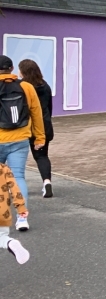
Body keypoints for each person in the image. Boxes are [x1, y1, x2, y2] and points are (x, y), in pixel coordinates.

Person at [0, 55, 45, 231]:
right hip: (20, 139)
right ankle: (21, 218)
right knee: (18, 177)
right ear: (11, 68)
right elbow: (37, 113)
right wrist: (39, 137)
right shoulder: (26, 87)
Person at [19, 59, 54, 197]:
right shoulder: (45, 86)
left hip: (23, 126)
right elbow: (49, 108)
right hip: (44, 126)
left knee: (17, 157)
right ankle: (47, 182)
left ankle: (15, 186)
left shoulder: (22, 87)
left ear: (23, 72)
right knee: (42, 156)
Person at [0, 163, 29, 264]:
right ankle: (10, 242)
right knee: (1, 237)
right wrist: (21, 208)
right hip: (3, 213)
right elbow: (14, 189)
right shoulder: (4, 168)